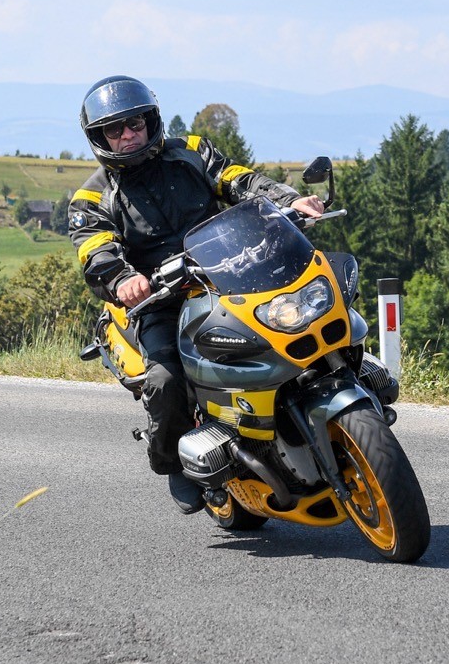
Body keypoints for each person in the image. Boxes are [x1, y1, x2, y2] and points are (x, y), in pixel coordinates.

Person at [68, 76, 324, 514]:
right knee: (166, 381)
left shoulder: (191, 151)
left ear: (150, 122)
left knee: (299, 318)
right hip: (160, 299)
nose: (127, 135)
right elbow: (95, 250)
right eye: (114, 129)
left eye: (135, 123)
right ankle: (173, 462)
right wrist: (124, 279)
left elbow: (238, 181)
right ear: (100, 137)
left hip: (230, 275)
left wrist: (288, 200)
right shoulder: (92, 197)